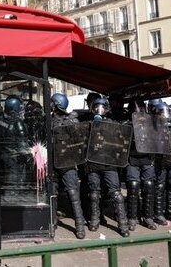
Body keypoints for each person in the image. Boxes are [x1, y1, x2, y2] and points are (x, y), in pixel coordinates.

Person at [85, 96, 130, 237]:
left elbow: (120, 143)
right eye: (96, 107)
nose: (99, 110)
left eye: (102, 107)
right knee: (94, 194)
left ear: (107, 109)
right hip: (93, 163)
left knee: (116, 194)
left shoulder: (113, 124)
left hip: (109, 163)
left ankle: (123, 224)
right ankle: (95, 220)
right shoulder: (87, 124)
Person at [50, 93, 86, 239]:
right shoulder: (49, 120)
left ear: (58, 104)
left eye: (52, 103)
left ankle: (80, 226)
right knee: (52, 194)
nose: (50, 105)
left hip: (67, 162)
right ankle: (51, 224)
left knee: (73, 193)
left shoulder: (71, 120)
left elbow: (79, 140)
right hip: (52, 162)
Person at [125, 98, 157, 230]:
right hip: (132, 158)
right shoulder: (127, 125)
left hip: (147, 159)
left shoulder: (151, 124)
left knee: (149, 186)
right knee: (133, 187)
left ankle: (148, 217)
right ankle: (132, 217)